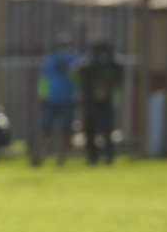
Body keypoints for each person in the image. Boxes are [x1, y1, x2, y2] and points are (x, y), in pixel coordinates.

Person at [34, 34, 80, 167]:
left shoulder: (75, 60)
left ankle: (62, 157)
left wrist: (68, 71)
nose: (63, 49)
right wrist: (43, 96)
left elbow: (79, 80)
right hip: (51, 99)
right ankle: (40, 155)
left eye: (66, 46)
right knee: (45, 128)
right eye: (61, 46)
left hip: (68, 99)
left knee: (66, 130)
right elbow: (44, 79)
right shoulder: (51, 60)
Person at [76, 40, 124, 166]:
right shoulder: (88, 63)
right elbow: (80, 75)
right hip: (90, 100)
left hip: (106, 100)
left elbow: (118, 81)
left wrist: (105, 89)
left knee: (106, 129)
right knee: (90, 129)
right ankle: (93, 157)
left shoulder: (113, 64)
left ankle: (109, 156)